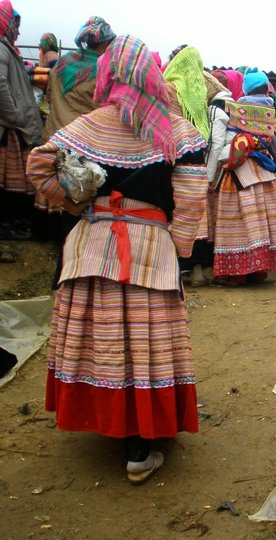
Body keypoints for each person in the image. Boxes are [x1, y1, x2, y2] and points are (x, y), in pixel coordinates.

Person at [26, 35, 208, 484]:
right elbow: (189, 200)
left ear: (107, 74)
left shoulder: (88, 126)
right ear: (151, 75)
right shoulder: (177, 132)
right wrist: (180, 252)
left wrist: (74, 205)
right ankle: (140, 445)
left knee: (104, 336)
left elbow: (38, 165)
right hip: (150, 248)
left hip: (93, 245)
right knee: (145, 339)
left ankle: (112, 423)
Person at [207, 67, 276, 284]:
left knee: (238, 221)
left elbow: (224, 140)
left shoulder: (236, 108)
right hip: (263, 168)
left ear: (245, 88)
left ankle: (236, 274)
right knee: (261, 220)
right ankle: (257, 271)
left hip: (239, 168)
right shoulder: (270, 112)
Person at [163, 45, 214, 285]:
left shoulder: (168, 87)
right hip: (196, 154)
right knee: (195, 211)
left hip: (170, 155)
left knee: (172, 211)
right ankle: (197, 270)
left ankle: (172, 270)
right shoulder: (198, 90)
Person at [0, 0, 43, 240]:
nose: (17, 31)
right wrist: (15, 115)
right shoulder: (1, 49)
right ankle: (6, 226)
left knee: (11, 179)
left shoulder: (6, 49)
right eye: (15, 25)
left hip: (11, 126)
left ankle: (9, 223)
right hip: (9, 128)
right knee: (9, 180)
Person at [42, 16, 115, 139]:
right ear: (105, 43)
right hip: (81, 143)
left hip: (53, 138)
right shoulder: (105, 71)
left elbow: (49, 96)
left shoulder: (61, 62)